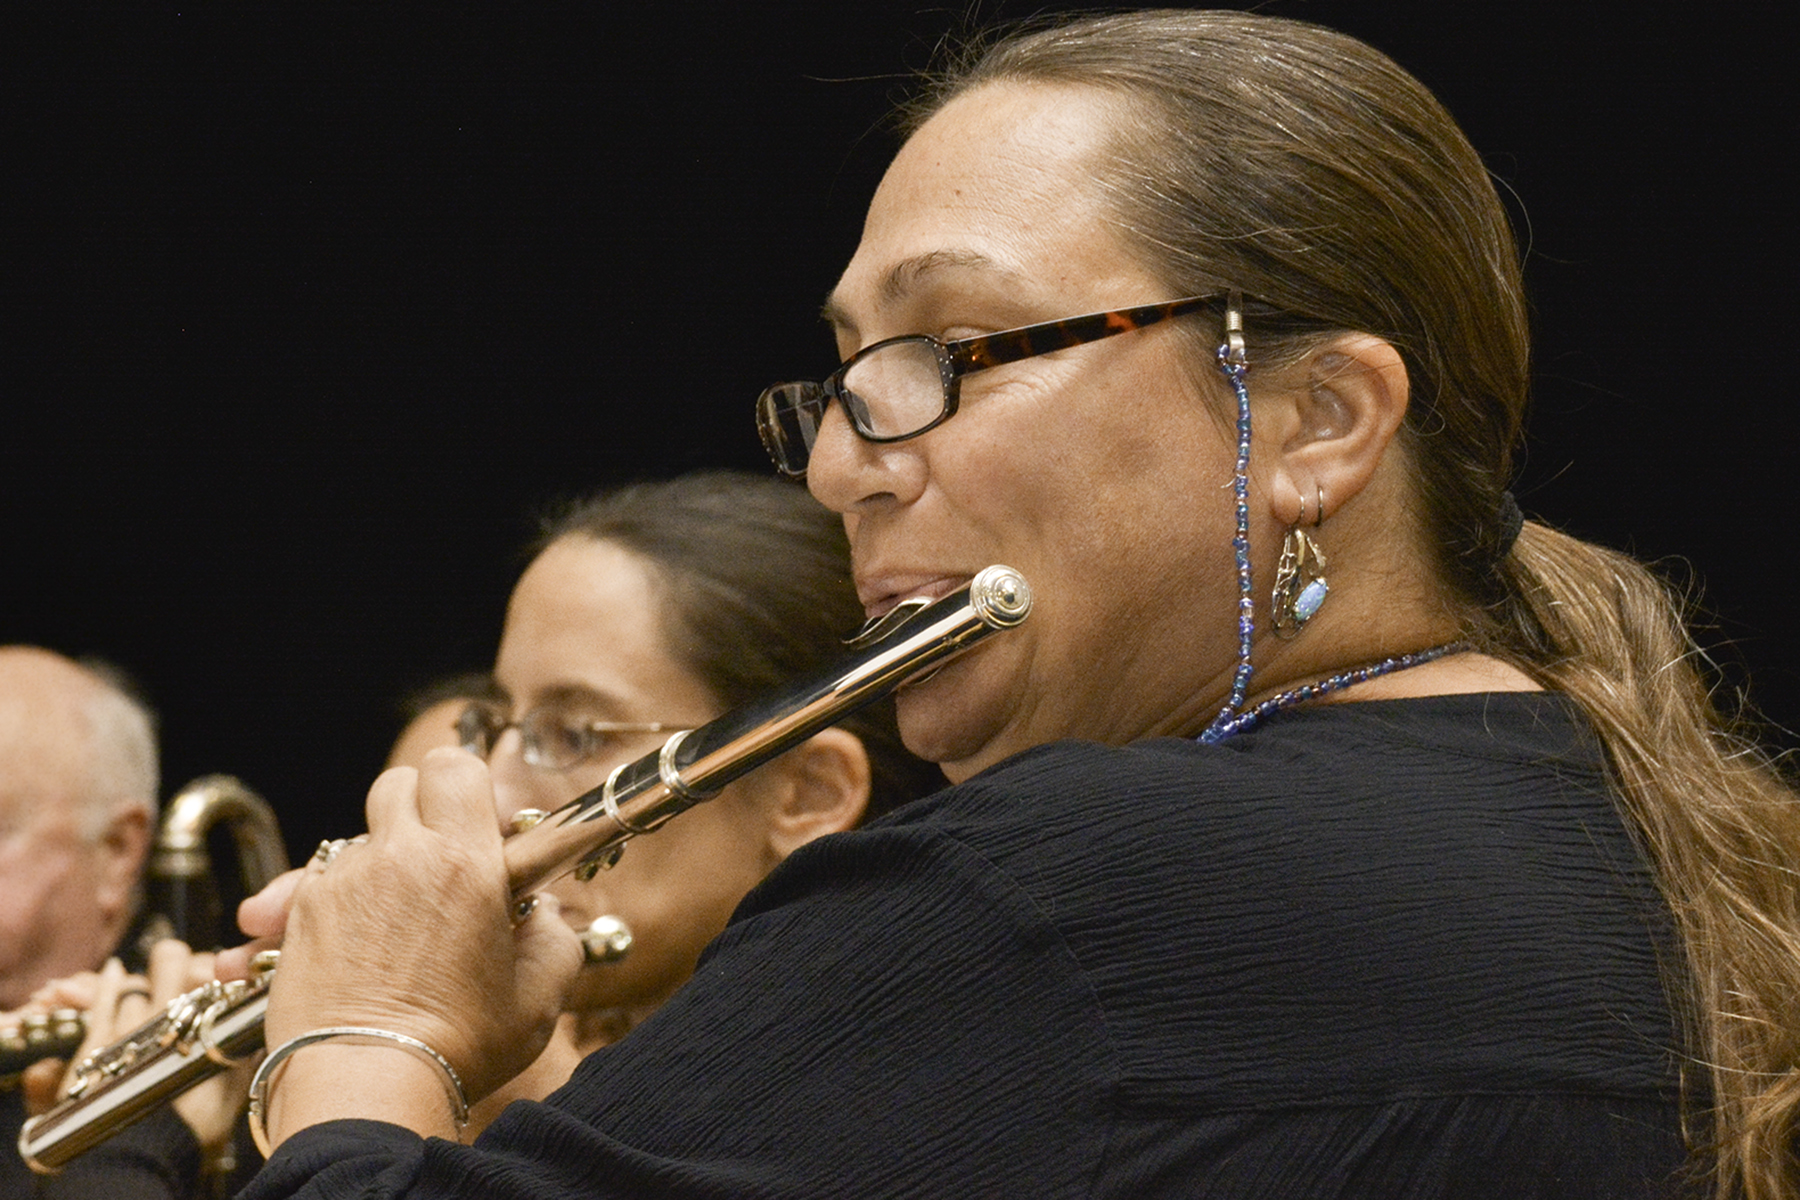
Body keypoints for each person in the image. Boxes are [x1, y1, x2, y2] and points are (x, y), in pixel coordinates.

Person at [227, 11, 1800, 1199]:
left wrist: (364, 1035)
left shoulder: (1067, 890)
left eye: (953, 353)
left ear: (1318, 419)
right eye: (846, 378)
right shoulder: (1629, 831)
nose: (845, 459)